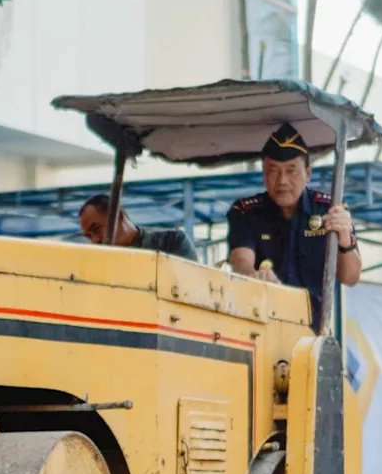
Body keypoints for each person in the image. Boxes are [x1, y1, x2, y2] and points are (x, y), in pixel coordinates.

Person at [225, 122, 361, 331]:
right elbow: (240, 259)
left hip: (312, 332)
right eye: (274, 171)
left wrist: (345, 239)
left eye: (291, 171)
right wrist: (254, 276)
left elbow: (351, 277)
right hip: (261, 328)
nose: (283, 181)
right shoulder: (246, 212)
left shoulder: (329, 209)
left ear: (308, 173)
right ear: (263, 174)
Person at [77, 195, 199, 261]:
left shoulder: (171, 242)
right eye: (89, 236)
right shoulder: (100, 265)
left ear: (118, 215)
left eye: (96, 229)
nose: (95, 240)